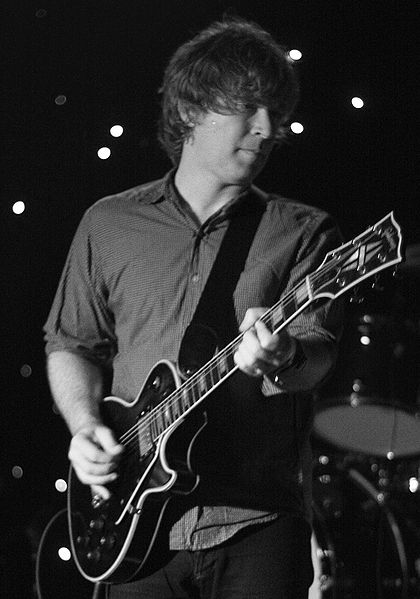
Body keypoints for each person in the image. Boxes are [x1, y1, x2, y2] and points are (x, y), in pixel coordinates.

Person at [44, 16, 342, 599]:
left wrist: (283, 355)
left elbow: (320, 359)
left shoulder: (302, 231)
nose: (267, 129)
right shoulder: (109, 223)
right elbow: (72, 343)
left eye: (276, 115)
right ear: (189, 111)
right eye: (249, 108)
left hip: (255, 524)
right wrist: (84, 429)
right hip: (132, 530)